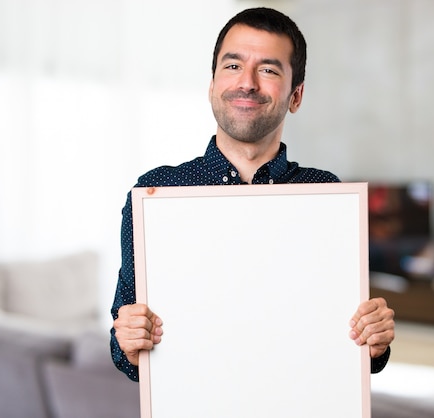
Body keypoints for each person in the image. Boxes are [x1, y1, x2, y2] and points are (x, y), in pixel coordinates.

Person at [111, 7, 395, 383]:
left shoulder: (326, 195)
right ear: (211, 85)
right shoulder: (155, 195)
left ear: (296, 96)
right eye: (232, 66)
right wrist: (127, 339)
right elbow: (122, 344)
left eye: (268, 69)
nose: (247, 82)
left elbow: (347, 341)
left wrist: (374, 341)